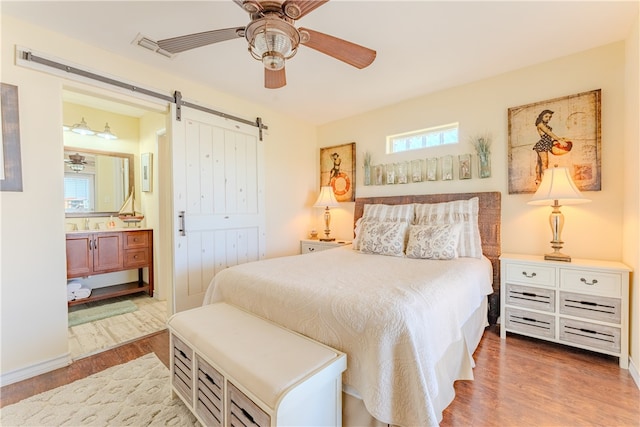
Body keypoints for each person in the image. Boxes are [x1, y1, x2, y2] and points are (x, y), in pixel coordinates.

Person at [532, 109, 569, 185]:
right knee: (544, 162)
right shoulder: (540, 124)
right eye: (546, 116)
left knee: (540, 162)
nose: (548, 119)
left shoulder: (544, 125)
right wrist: (559, 140)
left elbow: (549, 136)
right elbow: (549, 133)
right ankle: (546, 180)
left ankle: (538, 179)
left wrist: (556, 141)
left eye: (550, 117)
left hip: (546, 144)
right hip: (543, 144)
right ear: (542, 116)